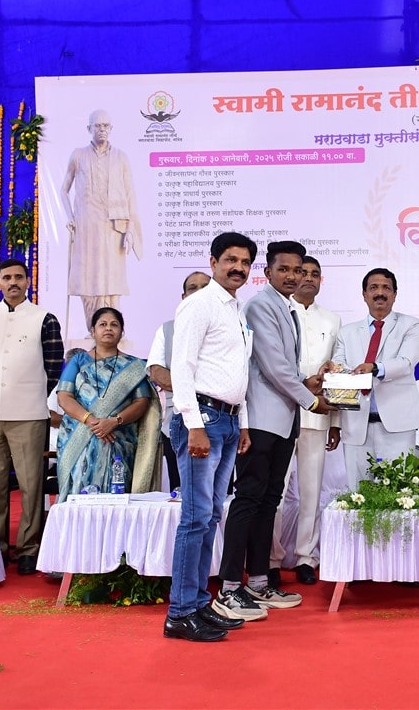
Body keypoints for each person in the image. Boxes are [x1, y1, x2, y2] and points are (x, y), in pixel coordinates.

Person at [215, 241, 332, 620]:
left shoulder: (286, 307)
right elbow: (273, 367)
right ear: (268, 272)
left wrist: (309, 383)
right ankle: (229, 587)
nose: (292, 276)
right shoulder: (260, 306)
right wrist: (311, 400)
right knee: (248, 500)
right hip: (261, 421)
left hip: (282, 421)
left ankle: (258, 581)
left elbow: (285, 368)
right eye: (284, 269)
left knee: (269, 502)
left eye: (298, 270)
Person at [164, 232, 256, 642]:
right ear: (214, 262)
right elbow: (181, 366)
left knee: (211, 516)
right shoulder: (198, 304)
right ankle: (180, 612)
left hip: (228, 420)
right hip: (201, 418)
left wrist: (244, 423)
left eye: (245, 262)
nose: (238, 267)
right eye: (231, 260)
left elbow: (238, 373)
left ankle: (200, 603)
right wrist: (194, 424)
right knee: (195, 517)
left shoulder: (235, 309)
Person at [0, 258, 64, 575]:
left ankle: (28, 548)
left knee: (30, 484)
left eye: (19, 277)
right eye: (7, 277)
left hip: (29, 413)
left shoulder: (44, 318)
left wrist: (31, 394)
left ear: (28, 282)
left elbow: (53, 367)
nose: (13, 282)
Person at [269, 256, 342, 586]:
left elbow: (336, 371)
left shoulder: (332, 319)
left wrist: (336, 421)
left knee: (312, 492)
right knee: (276, 491)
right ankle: (270, 559)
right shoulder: (280, 313)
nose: (308, 278)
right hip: (281, 414)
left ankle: (306, 557)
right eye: (303, 272)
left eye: (315, 274)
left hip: (318, 414)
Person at [55, 307, 161, 500]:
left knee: (116, 491)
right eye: (102, 324)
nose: (108, 328)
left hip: (119, 438)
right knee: (77, 493)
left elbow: (142, 402)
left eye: (114, 325)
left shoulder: (134, 366)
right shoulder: (78, 361)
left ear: (122, 332)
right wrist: (92, 422)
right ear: (93, 331)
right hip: (80, 436)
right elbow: (64, 396)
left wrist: (114, 422)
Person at [332, 268, 419, 490]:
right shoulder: (347, 332)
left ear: (394, 294)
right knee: (359, 494)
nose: (380, 293)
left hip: (397, 426)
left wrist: (375, 368)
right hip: (356, 425)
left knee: (399, 493)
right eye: (373, 288)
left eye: (386, 288)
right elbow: (338, 367)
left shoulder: (410, 324)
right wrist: (333, 369)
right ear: (364, 294)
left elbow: (406, 362)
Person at [60, 109, 142, 330]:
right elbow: (63, 190)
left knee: (112, 278)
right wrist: (70, 217)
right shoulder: (78, 155)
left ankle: (113, 327)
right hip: (86, 225)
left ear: (111, 128)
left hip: (113, 226)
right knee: (86, 277)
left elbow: (130, 195)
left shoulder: (121, 157)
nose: (102, 129)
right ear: (89, 128)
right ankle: (92, 327)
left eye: (106, 125)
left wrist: (131, 229)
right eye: (97, 125)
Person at [146, 271, 212, 491]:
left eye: (205, 287)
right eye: (193, 288)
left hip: (219, 422)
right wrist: (207, 389)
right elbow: (157, 373)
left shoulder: (229, 326)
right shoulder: (167, 330)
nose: (199, 292)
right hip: (177, 422)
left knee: (218, 494)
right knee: (181, 492)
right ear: (183, 297)